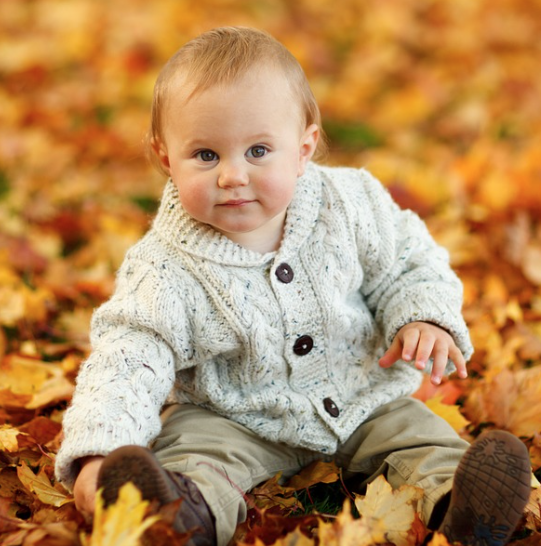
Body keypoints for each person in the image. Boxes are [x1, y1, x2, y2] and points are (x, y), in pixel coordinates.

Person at [55, 27, 531, 546]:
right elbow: (128, 356)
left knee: (420, 442)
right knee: (196, 455)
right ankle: (175, 515)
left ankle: (462, 506)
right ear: (166, 158)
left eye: (258, 150)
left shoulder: (350, 203)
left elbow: (409, 261)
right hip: (234, 415)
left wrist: (423, 316)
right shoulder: (164, 267)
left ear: (303, 149)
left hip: (363, 394)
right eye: (206, 155)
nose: (233, 176)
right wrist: (100, 448)